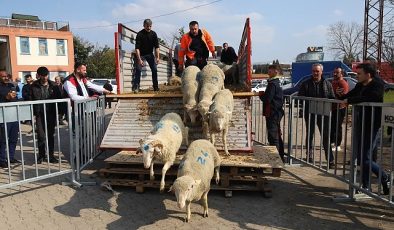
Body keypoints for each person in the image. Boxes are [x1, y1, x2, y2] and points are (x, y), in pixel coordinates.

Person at [340, 63, 390, 195]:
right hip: (362, 123)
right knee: (364, 157)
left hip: (373, 125)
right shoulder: (361, 84)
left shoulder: (378, 85)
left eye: (359, 74)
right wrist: (339, 98)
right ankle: (366, 186)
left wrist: (349, 100)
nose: (356, 76)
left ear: (368, 74)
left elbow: (369, 98)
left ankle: (385, 177)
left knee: (365, 158)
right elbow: (352, 94)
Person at [298, 63, 335, 168]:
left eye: (317, 71)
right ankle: (309, 156)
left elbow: (332, 97)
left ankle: (330, 160)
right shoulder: (306, 84)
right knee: (309, 135)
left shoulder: (327, 84)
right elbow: (300, 98)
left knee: (326, 137)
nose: (315, 73)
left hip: (324, 113)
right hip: (310, 113)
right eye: (313, 71)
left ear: (321, 72)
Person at [30, 67, 63, 164]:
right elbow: (31, 99)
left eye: (46, 75)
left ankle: (51, 155)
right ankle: (41, 155)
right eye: (42, 75)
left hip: (51, 114)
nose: (45, 77)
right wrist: (32, 114)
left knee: (50, 135)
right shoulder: (34, 86)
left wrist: (60, 112)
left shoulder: (53, 85)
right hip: (40, 114)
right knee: (40, 136)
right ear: (39, 75)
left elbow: (59, 98)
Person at [259, 64, 285, 162]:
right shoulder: (276, 82)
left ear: (276, 72)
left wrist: (261, 95)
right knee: (277, 135)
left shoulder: (273, 83)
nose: (268, 73)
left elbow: (268, 98)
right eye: (268, 71)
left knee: (273, 136)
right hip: (276, 112)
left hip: (273, 113)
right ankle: (281, 157)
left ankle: (276, 158)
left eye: (270, 71)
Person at [133, 19, 160, 93]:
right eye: (147, 26)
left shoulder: (154, 34)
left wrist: (157, 57)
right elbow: (137, 49)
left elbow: (157, 47)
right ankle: (136, 87)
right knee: (138, 70)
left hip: (150, 54)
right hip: (141, 54)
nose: (149, 28)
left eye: (150, 26)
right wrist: (139, 59)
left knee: (154, 69)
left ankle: (156, 87)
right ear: (144, 25)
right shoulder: (140, 34)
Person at [0, 70, 20, 168]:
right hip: (3, 117)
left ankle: (11, 157)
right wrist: (6, 98)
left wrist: (14, 97)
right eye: (3, 76)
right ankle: (2, 159)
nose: (6, 77)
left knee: (13, 138)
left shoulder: (11, 86)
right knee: (3, 139)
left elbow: (16, 98)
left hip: (13, 115)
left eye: (7, 76)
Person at [330, 67, 349, 151]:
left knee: (338, 126)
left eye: (337, 72)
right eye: (334, 72)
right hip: (333, 107)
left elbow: (343, 96)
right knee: (333, 125)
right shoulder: (333, 82)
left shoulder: (343, 83)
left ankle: (338, 145)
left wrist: (337, 94)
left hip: (340, 108)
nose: (334, 74)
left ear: (341, 74)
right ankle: (332, 142)